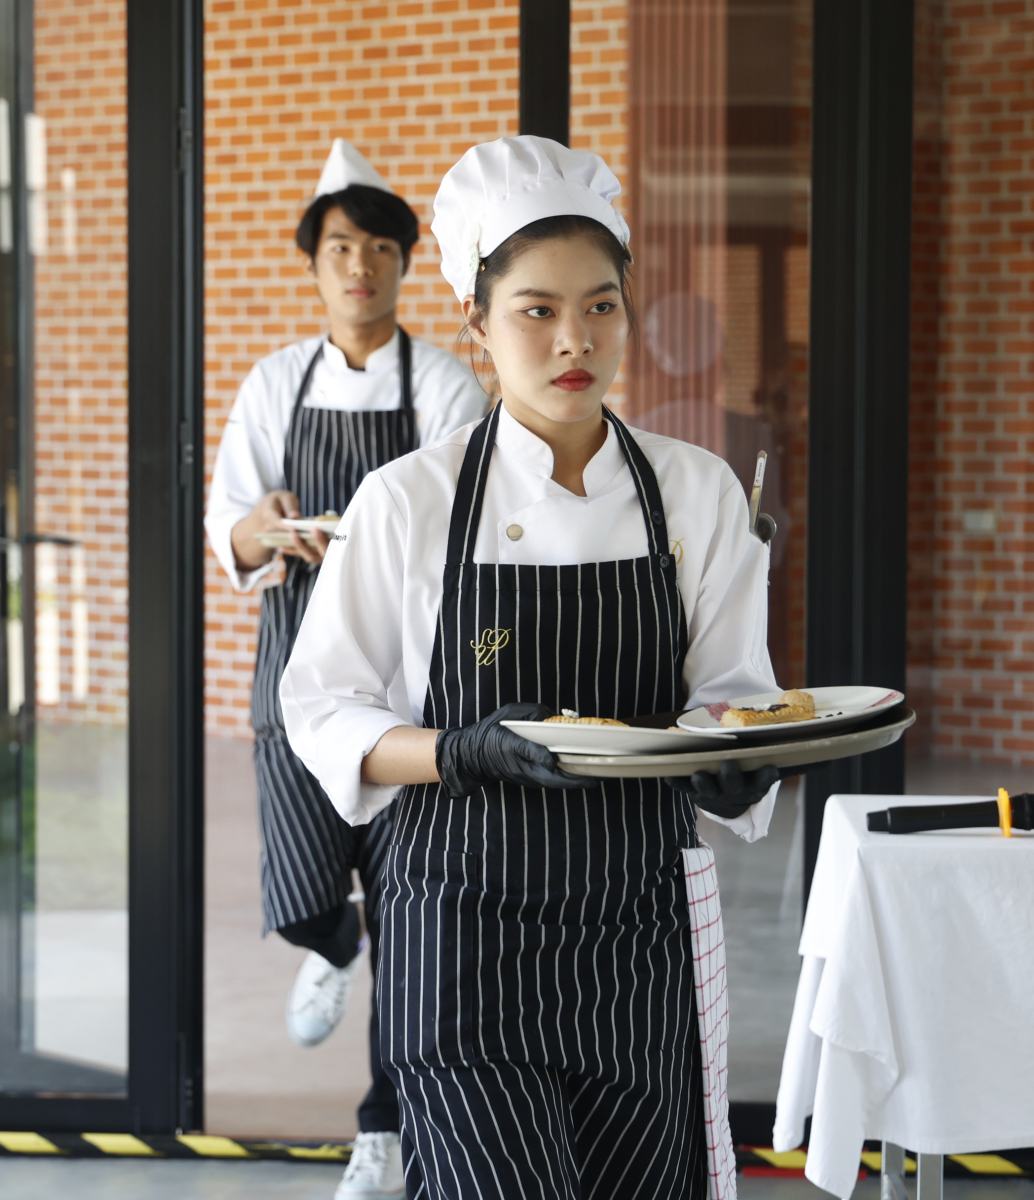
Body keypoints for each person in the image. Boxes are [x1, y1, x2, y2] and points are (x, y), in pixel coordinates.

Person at [279, 136, 781, 1200]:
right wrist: (459, 752)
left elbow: (735, 697)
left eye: (601, 306)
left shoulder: (696, 493)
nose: (574, 340)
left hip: (636, 938)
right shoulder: (408, 501)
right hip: (461, 934)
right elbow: (321, 706)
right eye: (536, 310)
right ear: (476, 321)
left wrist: (739, 764)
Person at [205, 138, 486, 1198]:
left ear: (405, 263)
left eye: (377, 248)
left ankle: (383, 1130)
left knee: (412, 925)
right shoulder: (276, 382)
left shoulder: (446, 385)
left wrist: (367, 544)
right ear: (314, 263)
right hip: (297, 670)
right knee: (297, 891)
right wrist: (268, 526)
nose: (358, 266)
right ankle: (329, 940)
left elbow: (467, 525)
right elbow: (230, 526)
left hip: (412, 684)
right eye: (338, 248)